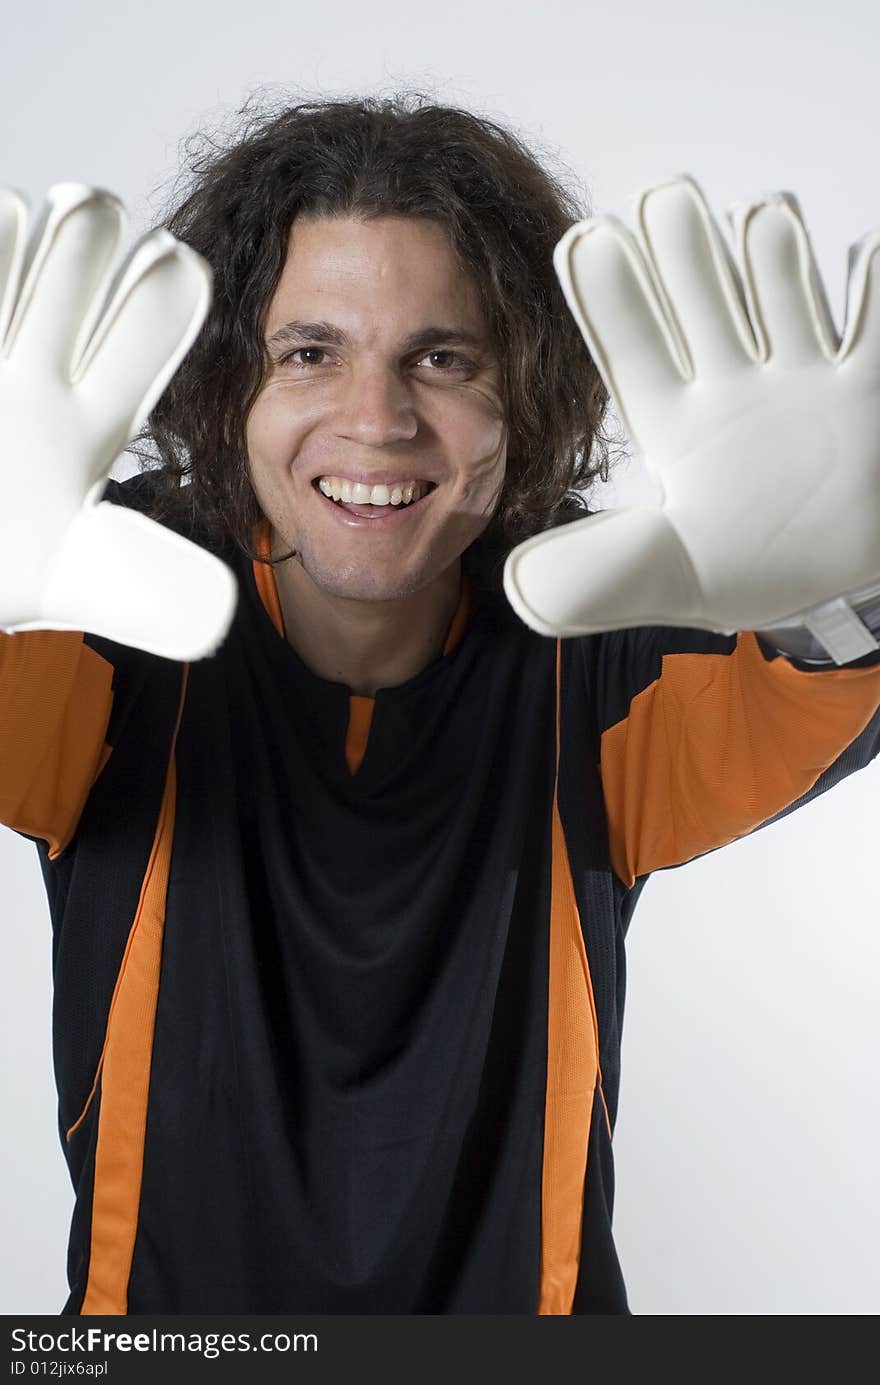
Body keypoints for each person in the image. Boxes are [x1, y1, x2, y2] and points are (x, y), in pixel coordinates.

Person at [1, 92, 879, 1316]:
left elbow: (822, 683)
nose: (378, 418)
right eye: (309, 351)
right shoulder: (108, 595)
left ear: (524, 389)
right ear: (225, 383)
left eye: (442, 356)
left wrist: (850, 577)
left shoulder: (595, 624)